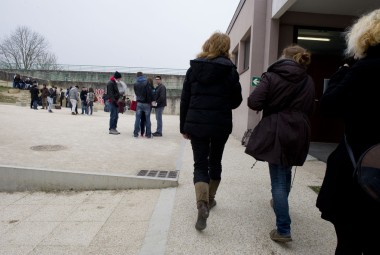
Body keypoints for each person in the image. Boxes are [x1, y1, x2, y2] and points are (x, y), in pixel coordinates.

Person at [316, 9, 380, 255]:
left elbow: (329, 106)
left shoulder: (364, 69)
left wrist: (342, 72)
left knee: (350, 243)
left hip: (360, 170)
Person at [245, 44, 315, 242]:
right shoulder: (308, 80)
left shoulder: (271, 76)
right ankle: (278, 203)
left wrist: (273, 104)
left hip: (277, 128)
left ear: (283, 56)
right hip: (299, 129)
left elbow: (254, 102)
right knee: (284, 172)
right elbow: (311, 108)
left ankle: (283, 229)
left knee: (277, 178)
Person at [180, 32, 243, 231]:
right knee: (215, 161)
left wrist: (184, 126)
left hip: (197, 124)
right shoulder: (230, 71)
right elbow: (236, 101)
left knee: (200, 164)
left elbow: (185, 99)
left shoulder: (194, 68)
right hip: (220, 124)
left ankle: (202, 204)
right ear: (226, 48)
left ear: (208, 45)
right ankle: (211, 199)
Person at [133, 72, 153, 138]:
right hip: (146, 103)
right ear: (142, 75)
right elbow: (150, 93)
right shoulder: (147, 82)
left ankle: (135, 134)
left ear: (137, 76)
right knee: (147, 119)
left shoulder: (135, 83)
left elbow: (136, 93)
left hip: (139, 103)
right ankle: (148, 135)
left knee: (137, 119)